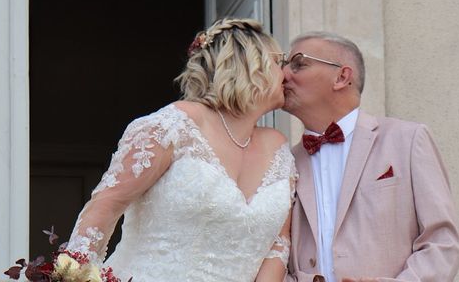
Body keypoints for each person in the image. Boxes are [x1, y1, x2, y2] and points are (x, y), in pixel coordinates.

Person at [66, 18, 296, 282]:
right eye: (279, 62)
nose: (286, 74)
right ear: (250, 65)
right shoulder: (172, 126)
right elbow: (105, 206)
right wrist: (74, 275)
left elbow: (278, 245)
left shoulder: (278, 147)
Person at [283, 32, 459, 282]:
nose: (284, 74)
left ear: (341, 77)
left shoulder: (408, 140)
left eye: (299, 63)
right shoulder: (284, 163)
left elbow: (442, 243)